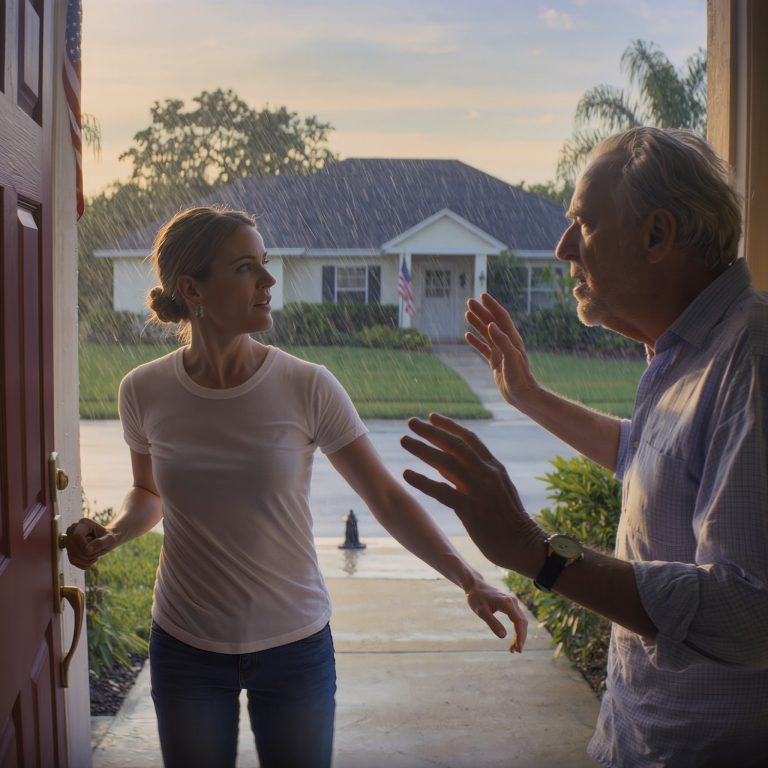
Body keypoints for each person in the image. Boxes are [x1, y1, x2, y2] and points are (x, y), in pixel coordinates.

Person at [65, 205, 527, 768]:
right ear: (192, 289)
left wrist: (469, 578)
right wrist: (114, 533)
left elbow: (384, 497)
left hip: (294, 645)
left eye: (264, 263)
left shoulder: (306, 386)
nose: (268, 280)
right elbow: (150, 492)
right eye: (245, 268)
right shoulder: (143, 390)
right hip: (185, 644)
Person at [400, 127, 768, 767]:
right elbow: (655, 460)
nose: (563, 246)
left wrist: (535, 551)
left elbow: (750, 611)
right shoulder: (689, 350)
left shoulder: (752, 359)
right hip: (637, 739)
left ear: (656, 236)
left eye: (583, 223)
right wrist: (531, 398)